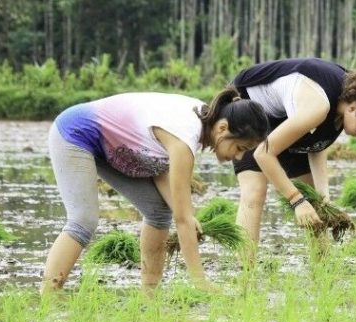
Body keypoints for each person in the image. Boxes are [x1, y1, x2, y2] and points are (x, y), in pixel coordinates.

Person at [41, 88, 269, 293]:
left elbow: (159, 165)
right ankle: (49, 295)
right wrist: (201, 283)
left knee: (159, 211)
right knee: (83, 220)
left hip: (109, 146)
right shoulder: (185, 137)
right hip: (77, 133)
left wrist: (188, 215)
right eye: (240, 148)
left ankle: (150, 293)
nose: (238, 157)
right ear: (222, 128)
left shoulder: (201, 120)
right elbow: (182, 220)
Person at [230, 58, 356, 262]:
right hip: (246, 105)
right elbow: (263, 153)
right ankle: (244, 274)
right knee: (255, 192)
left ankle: (323, 270)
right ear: (353, 108)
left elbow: (317, 145)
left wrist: (323, 197)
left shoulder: (346, 101)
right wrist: (296, 201)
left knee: (314, 202)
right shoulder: (318, 105)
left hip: (282, 116)